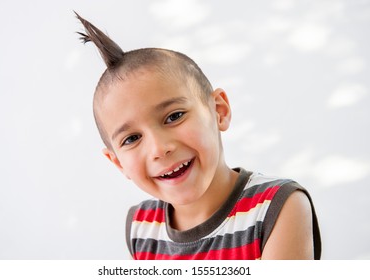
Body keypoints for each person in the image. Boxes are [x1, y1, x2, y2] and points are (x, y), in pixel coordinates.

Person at [75, 12, 322, 260]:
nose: (159, 148)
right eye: (131, 139)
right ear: (118, 162)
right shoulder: (140, 227)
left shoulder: (277, 207)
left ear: (219, 111)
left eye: (174, 116)